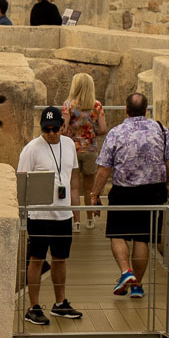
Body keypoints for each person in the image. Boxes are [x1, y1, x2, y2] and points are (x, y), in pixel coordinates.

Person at [88, 91, 169, 299]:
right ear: (146, 110)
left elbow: (104, 169)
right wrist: (166, 182)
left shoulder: (116, 132)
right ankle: (137, 286)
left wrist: (95, 194)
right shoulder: (160, 129)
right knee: (142, 237)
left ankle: (126, 272)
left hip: (124, 191)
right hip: (153, 191)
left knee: (117, 233)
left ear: (126, 110)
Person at [17, 106, 84, 327]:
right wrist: (23, 215)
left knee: (60, 258)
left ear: (63, 127)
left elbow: (73, 180)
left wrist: (76, 212)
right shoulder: (31, 149)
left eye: (55, 129)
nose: (51, 133)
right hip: (39, 214)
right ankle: (33, 307)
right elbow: (21, 182)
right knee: (36, 259)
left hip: (63, 214)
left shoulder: (69, 145)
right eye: (47, 130)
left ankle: (60, 303)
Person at [60, 72, 105, 230]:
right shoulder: (97, 105)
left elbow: (63, 129)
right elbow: (103, 128)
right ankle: (90, 219)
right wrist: (91, 133)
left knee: (74, 187)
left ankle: (76, 222)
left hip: (72, 149)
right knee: (89, 188)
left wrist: (73, 133)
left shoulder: (68, 105)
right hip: (90, 149)